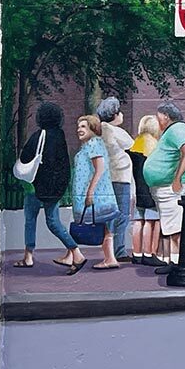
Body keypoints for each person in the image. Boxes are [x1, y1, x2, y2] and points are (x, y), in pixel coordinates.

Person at [11, 101, 77, 272]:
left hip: (35, 186)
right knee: (54, 222)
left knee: (30, 220)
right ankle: (73, 250)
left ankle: (28, 256)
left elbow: (25, 157)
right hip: (53, 189)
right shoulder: (60, 137)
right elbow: (64, 165)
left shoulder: (38, 136)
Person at [142, 102, 185, 268]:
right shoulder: (173, 131)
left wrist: (176, 179)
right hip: (164, 186)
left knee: (174, 226)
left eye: (159, 117)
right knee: (169, 225)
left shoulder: (179, 129)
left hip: (171, 187)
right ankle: (169, 259)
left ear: (166, 116)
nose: (157, 121)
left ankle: (175, 262)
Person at [72, 114, 123, 270]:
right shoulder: (90, 145)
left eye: (83, 127)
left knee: (104, 226)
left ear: (93, 129)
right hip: (92, 193)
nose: (79, 129)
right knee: (105, 227)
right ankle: (109, 258)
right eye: (78, 126)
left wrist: (90, 192)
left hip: (97, 194)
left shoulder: (94, 144)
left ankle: (109, 258)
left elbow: (99, 168)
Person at [96, 98, 132, 261]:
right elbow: (131, 144)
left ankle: (110, 251)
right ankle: (119, 251)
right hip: (119, 177)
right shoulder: (115, 131)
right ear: (115, 114)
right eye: (119, 111)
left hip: (105, 178)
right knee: (122, 215)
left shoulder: (99, 131)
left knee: (109, 216)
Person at [129, 114, 163, 265]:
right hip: (151, 189)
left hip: (138, 189)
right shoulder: (155, 146)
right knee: (151, 221)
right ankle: (149, 253)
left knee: (138, 220)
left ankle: (136, 253)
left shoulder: (135, 144)